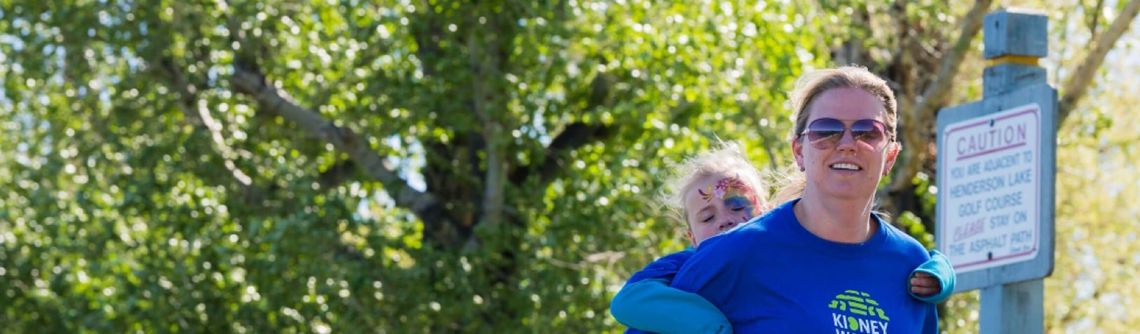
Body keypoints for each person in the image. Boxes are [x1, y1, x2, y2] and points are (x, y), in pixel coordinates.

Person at [611, 138, 953, 333]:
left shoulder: (791, 253)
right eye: (708, 216)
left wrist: (940, 278)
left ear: (765, 212)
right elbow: (629, 300)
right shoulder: (685, 265)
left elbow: (930, 261)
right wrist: (709, 325)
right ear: (691, 235)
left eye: (737, 206)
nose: (725, 220)